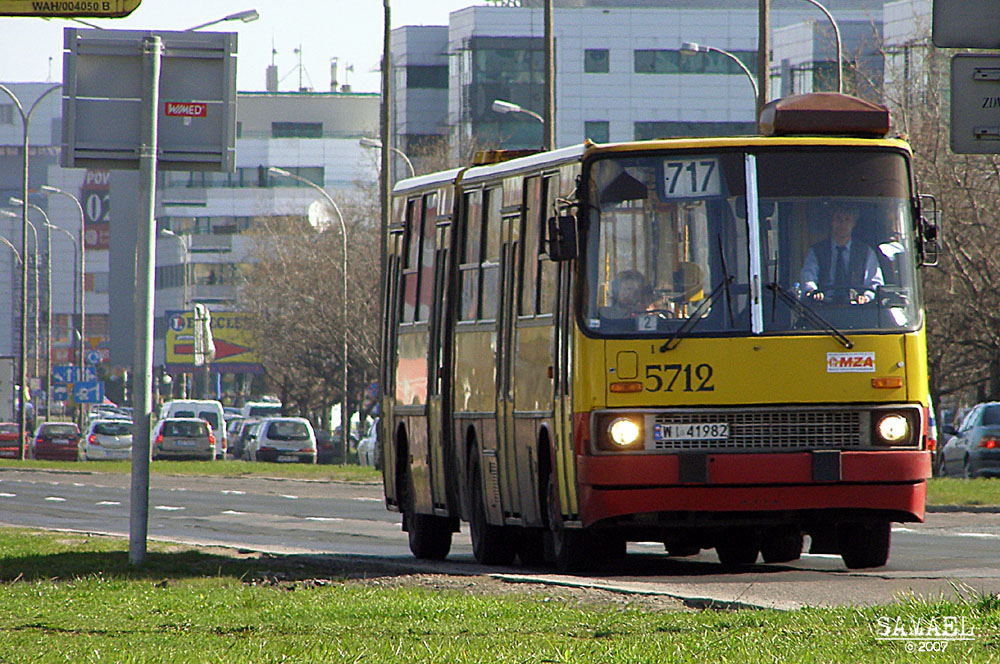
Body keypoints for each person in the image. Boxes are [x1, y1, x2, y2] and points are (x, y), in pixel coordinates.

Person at [799, 202, 883, 304]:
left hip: (857, 308)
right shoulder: (816, 251)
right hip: (823, 307)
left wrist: (866, 296)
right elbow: (808, 276)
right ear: (832, 222)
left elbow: (875, 283)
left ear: (853, 223)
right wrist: (813, 291)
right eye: (838, 219)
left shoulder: (866, 252)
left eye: (847, 220)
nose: (842, 224)